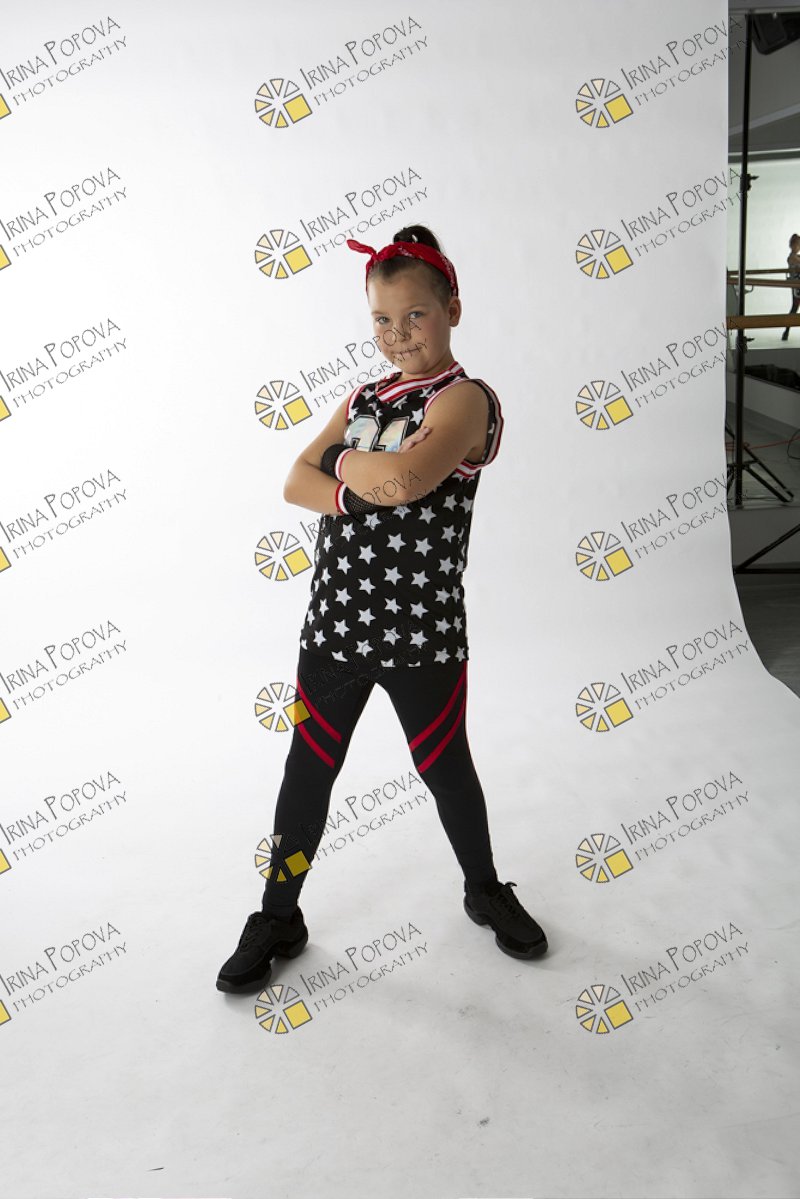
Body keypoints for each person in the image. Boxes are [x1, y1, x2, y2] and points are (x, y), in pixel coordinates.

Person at [216, 225, 547, 995]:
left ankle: (483, 887)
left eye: (415, 315)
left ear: (452, 310)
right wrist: (357, 476)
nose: (398, 334)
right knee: (307, 769)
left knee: (445, 766)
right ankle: (278, 914)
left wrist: (340, 463)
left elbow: (406, 482)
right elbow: (295, 482)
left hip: (422, 631)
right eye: (381, 319)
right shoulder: (363, 398)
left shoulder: (465, 399)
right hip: (335, 624)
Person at [781, 232, 800, 340]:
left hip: (797, 285)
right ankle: (786, 331)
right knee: (794, 308)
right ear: (792, 245)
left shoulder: (796, 256)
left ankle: (786, 332)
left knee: (794, 308)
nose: (798, 247)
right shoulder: (792, 257)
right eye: (797, 245)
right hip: (797, 287)